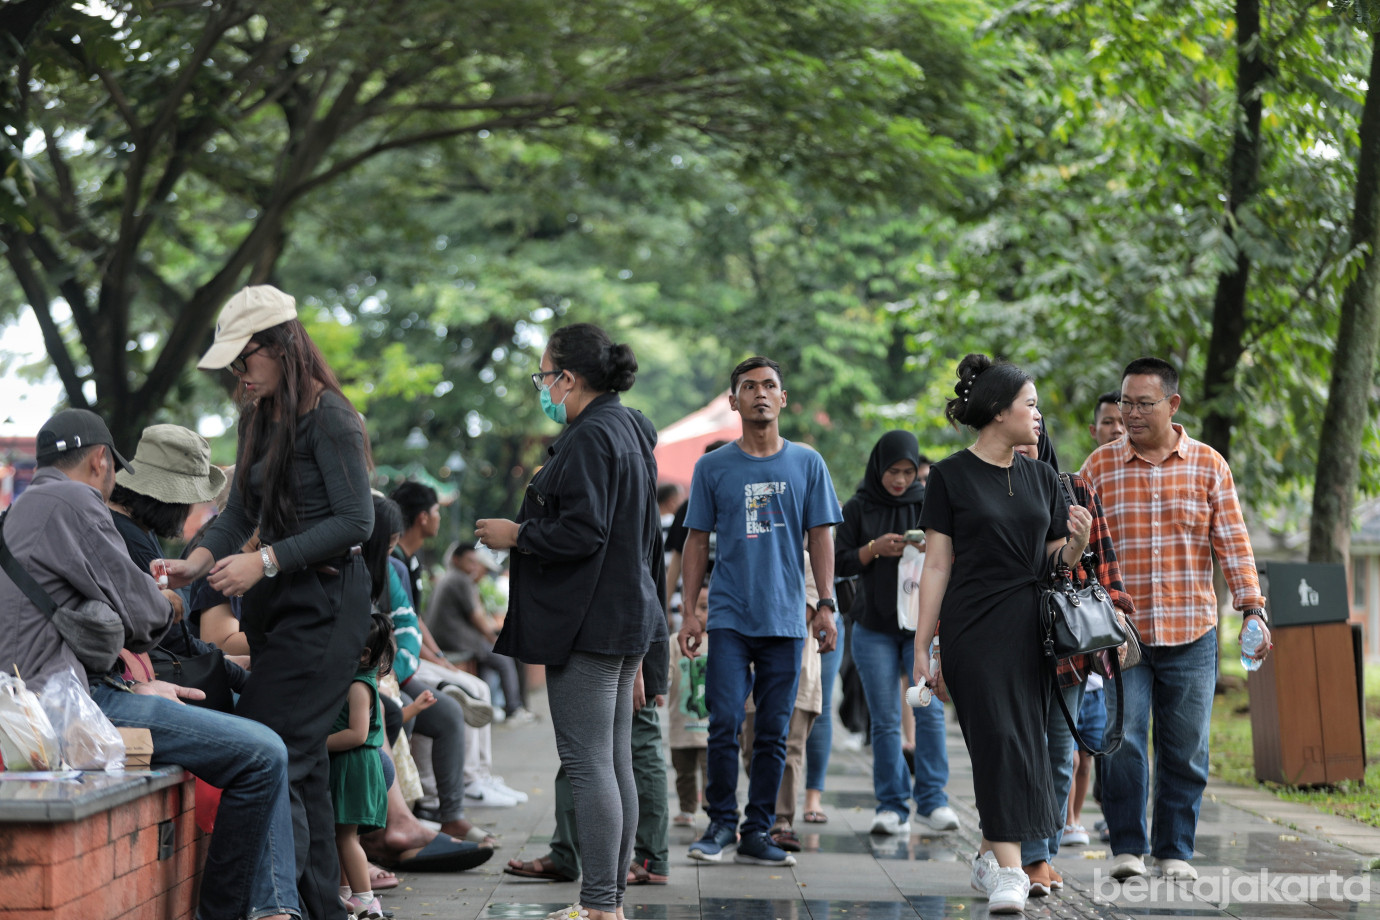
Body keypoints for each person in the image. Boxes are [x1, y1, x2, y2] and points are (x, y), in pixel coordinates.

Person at [0, 408, 299, 920]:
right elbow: (144, 616)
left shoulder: (21, 511)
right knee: (263, 752)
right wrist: (167, 600)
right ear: (100, 460)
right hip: (70, 703)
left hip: (42, 697)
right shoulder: (76, 500)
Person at [162, 284, 375, 920]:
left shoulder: (331, 416)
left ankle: (252, 906)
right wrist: (193, 564)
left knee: (264, 745)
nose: (238, 375)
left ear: (281, 347)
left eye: (243, 360)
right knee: (298, 766)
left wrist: (268, 560)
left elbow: (357, 520)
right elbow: (239, 513)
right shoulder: (258, 416)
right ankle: (317, 909)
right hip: (279, 606)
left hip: (329, 604)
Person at [476, 322, 667, 920]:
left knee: (590, 764)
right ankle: (605, 902)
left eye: (544, 375)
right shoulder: (630, 428)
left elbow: (584, 531)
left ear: (569, 378)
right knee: (611, 762)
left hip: (593, 620)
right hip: (626, 615)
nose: (542, 387)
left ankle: (600, 905)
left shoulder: (593, 436)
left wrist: (518, 535)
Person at [910, 354, 1092, 915]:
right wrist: (923, 643)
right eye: (1030, 405)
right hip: (972, 625)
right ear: (997, 411)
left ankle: (992, 856)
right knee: (999, 739)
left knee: (1027, 745)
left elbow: (1052, 559)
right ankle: (1011, 872)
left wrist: (1077, 545)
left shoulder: (1043, 478)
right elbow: (937, 564)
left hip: (1030, 626)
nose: (1039, 416)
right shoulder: (948, 476)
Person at [1080, 357, 1270, 882]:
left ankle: (1175, 851)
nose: (1131, 413)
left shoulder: (1210, 466)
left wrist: (1252, 607)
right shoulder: (1097, 469)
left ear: (1173, 404)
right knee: (1123, 741)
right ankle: (1126, 847)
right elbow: (1080, 551)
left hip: (1192, 633)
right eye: (1125, 402)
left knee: (1186, 748)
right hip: (1124, 636)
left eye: (1144, 403)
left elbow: (1232, 542)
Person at [677, 356, 841, 869]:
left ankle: (758, 829)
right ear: (734, 401)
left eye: (770, 386)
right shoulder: (713, 466)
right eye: (749, 387)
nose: (761, 394)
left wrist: (827, 607)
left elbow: (821, 539)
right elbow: (695, 542)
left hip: (787, 619)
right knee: (724, 722)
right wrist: (688, 613)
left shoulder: (807, 462)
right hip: (728, 617)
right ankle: (720, 823)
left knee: (773, 732)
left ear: (783, 398)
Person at [1013, 426, 1135, 896]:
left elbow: (1105, 559)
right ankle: (1024, 857)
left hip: (1068, 641)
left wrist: (1118, 621)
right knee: (1019, 750)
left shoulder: (1075, 488)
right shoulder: (989, 490)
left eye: (1035, 431)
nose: (1027, 439)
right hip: (1010, 641)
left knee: (1061, 753)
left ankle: (1041, 854)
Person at [834, 430, 957, 837]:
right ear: (878, 468)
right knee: (886, 719)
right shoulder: (859, 506)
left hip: (921, 626)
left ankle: (933, 800)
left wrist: (930, 551)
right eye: (893, 471)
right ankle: (891, 806)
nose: (901, 480)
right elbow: (838, 560)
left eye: (908, 471)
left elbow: (956, 554)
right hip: (873, 627)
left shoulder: (929, 502)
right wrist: (873, 549)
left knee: (928, 711)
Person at [329, 613, 395, 920]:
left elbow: (357, 734)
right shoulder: (360, 680)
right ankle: (346, 896)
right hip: (351, 766)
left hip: (354, 766)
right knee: (342, 833)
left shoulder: (358, 686)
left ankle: (367, 901)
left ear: (364, 654)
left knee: (346, 836)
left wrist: (319, 743)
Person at [425, 540, 526, 720]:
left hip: (447, 638)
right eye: (469, 561)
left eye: (475, 562)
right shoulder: (460, 579)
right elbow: (477, 617)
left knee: (488, 660)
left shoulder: (449, 577)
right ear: (456, 560)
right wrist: (494, 639)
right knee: (503, 659)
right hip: (456, 641)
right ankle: (514, 709)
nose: (473, 566)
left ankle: (485, 707)